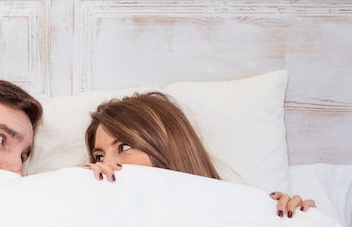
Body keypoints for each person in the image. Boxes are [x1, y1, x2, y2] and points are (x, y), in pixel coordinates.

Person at [80, 91, 315, 218]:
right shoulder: (91, 206)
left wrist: (290, 220)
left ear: (167, 147)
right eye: (99, 156)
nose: (108, 163)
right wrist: (74, 189)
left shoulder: (232, 211)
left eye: (124, 147)